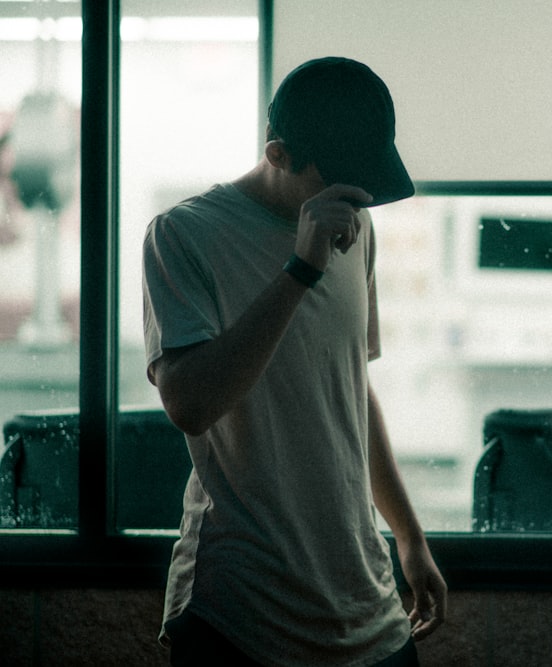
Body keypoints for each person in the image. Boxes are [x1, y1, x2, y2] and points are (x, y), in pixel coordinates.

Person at [142, 56, 447, 666]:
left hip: (366, 600)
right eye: (333, 183)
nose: (351, 201)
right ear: (276, 154)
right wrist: (300, 269)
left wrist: (409, 538)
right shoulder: (183, 235)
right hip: (241, 612)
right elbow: (191, 404)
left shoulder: (356, 226)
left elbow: (351, 389)